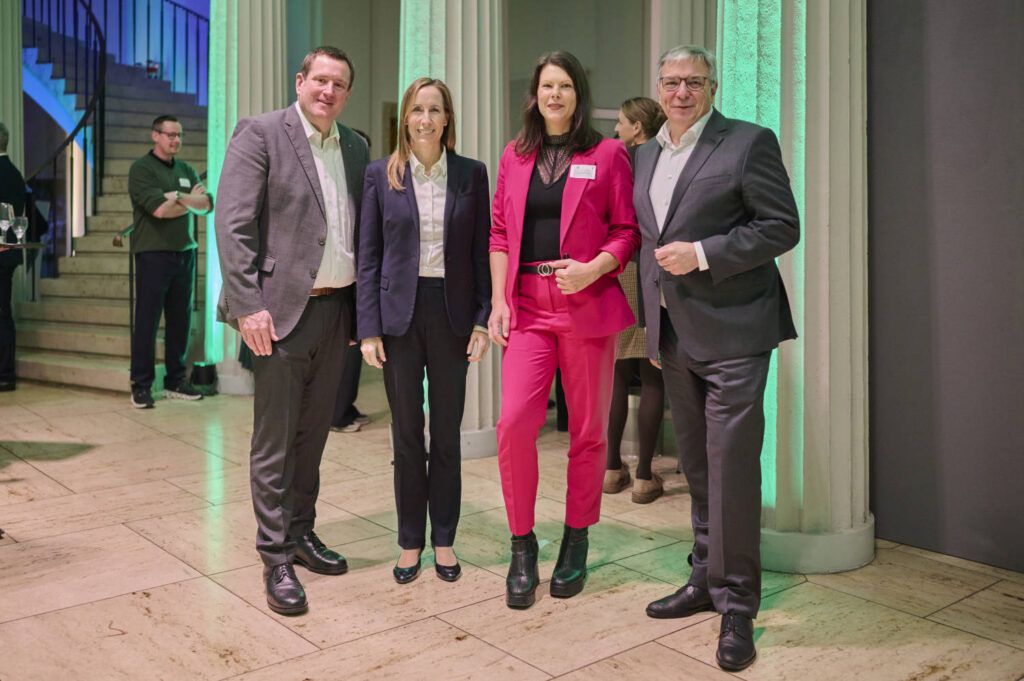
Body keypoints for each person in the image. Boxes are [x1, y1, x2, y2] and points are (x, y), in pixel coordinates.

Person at [636, 45, 799, 672]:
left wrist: (703, 252)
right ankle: (704, 576)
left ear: (712, 85)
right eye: (672, 82)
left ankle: (739, 607)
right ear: (659, 86)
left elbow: (782, 226)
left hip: (735, 333)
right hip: (674, 335)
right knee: (699, 466)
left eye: (693, 82)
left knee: (731, 468)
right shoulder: (647, 153)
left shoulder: (749, 142)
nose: (682, 92)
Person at [215, 46, 370, 616]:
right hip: (277, 315)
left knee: (315, 435)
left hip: (336, 313)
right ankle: (275, 553)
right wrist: (247, 305)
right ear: (300, 81)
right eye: (320, 80)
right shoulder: (260, 134)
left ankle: (302, 533)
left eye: (339, 83)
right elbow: (232, 227)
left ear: (348, 93)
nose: (328, 91)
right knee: (275, 440)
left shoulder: (355, 146)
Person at [488, 51, 640, 609]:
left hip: (585, 302)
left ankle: (576, 538)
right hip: (527, 305)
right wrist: (500, 302)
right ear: (536, 94)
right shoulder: (515, 155)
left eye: (566, 86)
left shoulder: (608, 153)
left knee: (588, 431)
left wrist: (594, 266)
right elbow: (500, 233)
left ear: (579, 95)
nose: (555, 95)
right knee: (513, 424)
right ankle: (522, 544)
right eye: (547, 86)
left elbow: (627, 231)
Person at [357, 77, 491, 585]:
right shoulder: (380, 175)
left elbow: (482, 253)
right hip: (398, 318)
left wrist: (482, 319)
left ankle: (445, 540)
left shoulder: (471, 175)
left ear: (447, 119)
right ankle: (411, 539)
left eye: (436, 110)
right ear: (406, 119)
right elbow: (368, 258)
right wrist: (367, 329)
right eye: (418, 109)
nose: (427, 118)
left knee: (448, 435)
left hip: (453, 315)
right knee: (407, 433)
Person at [605, 97, 668, 503]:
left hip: (614, 268)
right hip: (649, 269)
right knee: (652, 375)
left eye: (622, 122)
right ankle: (645, 475)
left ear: (638, 127)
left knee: (614, 372)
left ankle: (611, 469)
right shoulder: (663, 160)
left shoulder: (612, 160)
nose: (616, 130)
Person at [127, 115, 212, 408]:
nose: (175, 140)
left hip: (184, 253)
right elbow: (160, 211)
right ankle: (141, 385)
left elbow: (207, 205)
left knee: (180, 322)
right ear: (155, 136)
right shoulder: (142, 170)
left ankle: (175, 380)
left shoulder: (186, 169)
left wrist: (177, 196)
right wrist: (189, 200)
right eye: (169, 135)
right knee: (147, 323)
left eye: (179, 135)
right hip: (153, 254)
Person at [331, 129, 373, 434]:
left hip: (361, 276)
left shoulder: (363, 185)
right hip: (340, 277)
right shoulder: (337, 185)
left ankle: (347, 405)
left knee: (355, 349)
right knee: (345, 351)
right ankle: (337, 412)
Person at [0, 122, 26, 392]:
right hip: (8, 254)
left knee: (2, 315)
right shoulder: (15, 174)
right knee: (3, 313)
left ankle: (5, 373)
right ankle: (5, 374)